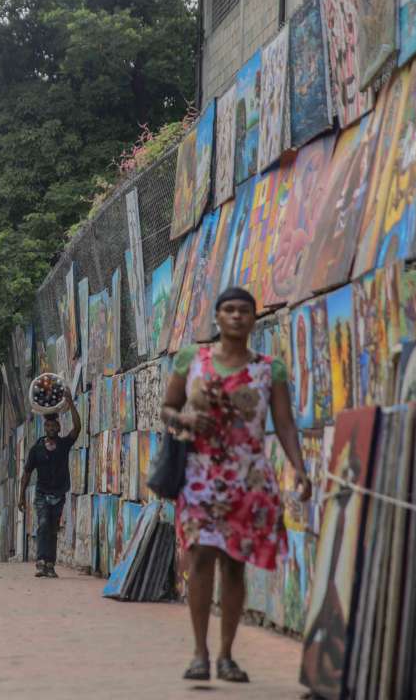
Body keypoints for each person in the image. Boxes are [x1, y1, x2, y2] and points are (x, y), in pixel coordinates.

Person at [159, 287, 312, 684]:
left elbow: (284, 423)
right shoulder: (193, 359)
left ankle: (226, 654)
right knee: (199, 558)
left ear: (253, 319)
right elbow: (167, 408)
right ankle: (199, 652)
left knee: (233, 566)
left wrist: (299, 468)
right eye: (229, 310)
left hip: (248, 479)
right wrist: (188, 421)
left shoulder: (269, 369)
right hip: (200, 477)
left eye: (244, 311)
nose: (237, 317)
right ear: (218, 317)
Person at [18, 393, 82, 578]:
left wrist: (70, 404)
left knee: (53, 528)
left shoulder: (64, 445)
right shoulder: (36, 449)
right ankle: (40, 561)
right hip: (42, 494)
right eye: (48, 426)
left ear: (58, 427)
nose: (51, 428)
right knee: (44, 523)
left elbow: (77, 428)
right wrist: (21, 496)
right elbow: (27, 474)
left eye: (54, 426)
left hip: (59, 493)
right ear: (45, 428)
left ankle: (50, 564)